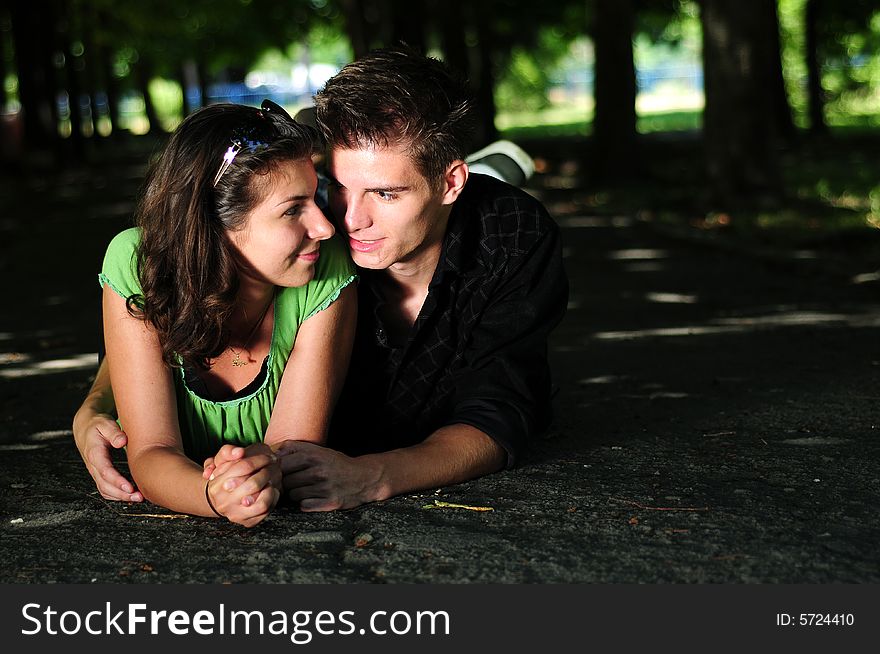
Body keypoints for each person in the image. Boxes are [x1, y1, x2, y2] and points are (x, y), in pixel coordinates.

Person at [74, 48, 567, 514]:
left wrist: (373, 477)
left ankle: (481, 176)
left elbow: (503, 411)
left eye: (386, 194)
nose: (348, 221)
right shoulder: (309, 242)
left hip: (425, 420)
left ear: (449, 183)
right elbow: (173, 298)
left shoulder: (513, 235)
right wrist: (99, 399)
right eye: (336, 185)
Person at [82, 100, 357, 526]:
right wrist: (213, 496)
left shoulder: (325, 263)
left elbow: (291, 446)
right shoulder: (136, 262)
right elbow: (152, 449)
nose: (324, 227)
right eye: (292, 208)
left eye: (316, 195)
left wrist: (253, 476)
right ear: (213, 223)